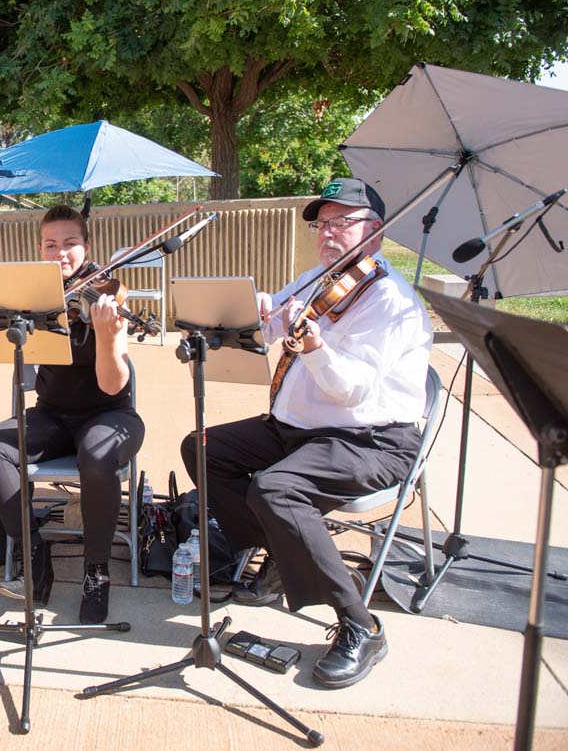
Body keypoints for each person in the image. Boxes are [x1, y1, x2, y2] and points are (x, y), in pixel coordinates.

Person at [180, 177, 432, 688]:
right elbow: (270, 330)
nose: (329, 233)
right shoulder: (317, 277)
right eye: (323, 224)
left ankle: (362, 626)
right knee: (203, 448)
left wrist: (316, 348)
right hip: (301, 428)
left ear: (375, 230)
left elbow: (354, 392)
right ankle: (278, 555)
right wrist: (258, 313)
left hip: (368, 439)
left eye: (344, 222)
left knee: (275, 488)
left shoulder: (391, 301)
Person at [0, 205, 145, 623]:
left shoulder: (105, 295)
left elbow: (113, 386)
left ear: (87, 246)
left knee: (96, 458)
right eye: (50, 245)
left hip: (111, 416)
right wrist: (11, 299)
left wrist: (107, 334)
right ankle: (33, 554)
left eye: (69, 244)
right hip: (53, 415)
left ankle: (96, 572)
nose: (60, 253)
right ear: (40, 249)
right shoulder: (37, 295)